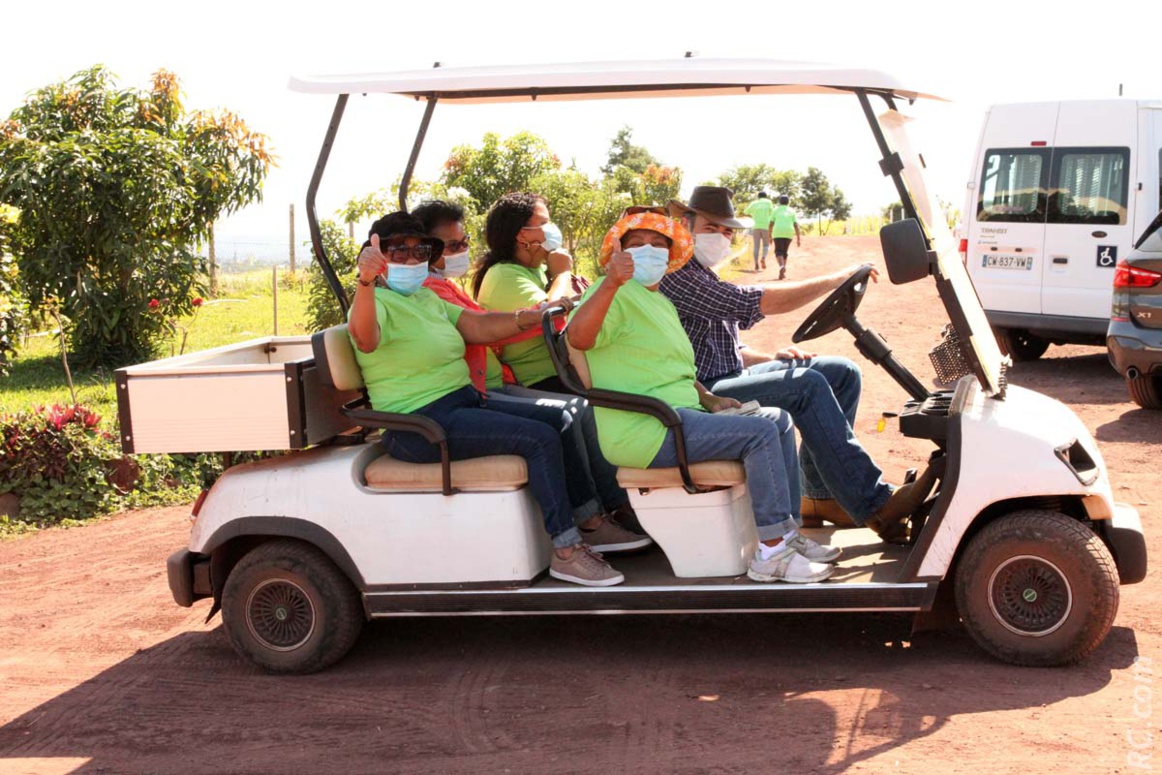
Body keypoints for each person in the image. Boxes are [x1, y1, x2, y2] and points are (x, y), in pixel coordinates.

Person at [347, 210, 625, 586]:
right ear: (377, 257)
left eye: (419, 251)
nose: (411, 260)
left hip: (461, 401)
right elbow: (365, 339)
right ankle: (566, 551)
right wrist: (364, 282)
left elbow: (477, 326)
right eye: (398, 251)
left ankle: (589, 520)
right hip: (420, 425)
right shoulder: (373, 301)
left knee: (559, 418)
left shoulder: (425, 299)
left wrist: (533, 316)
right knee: (538, 438)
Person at [567, 209, 841, 584]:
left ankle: (786, 532)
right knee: (759, 433)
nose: (648, 250)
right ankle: (772, 552)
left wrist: (710, 398)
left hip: (679, 416)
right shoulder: (612, 294)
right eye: (636, 244)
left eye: (658, 244)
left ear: (670, 255)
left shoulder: (659, 301)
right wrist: (611, 283)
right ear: (617, 252)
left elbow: (675, 369)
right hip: (646, 428)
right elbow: (579, 338)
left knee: (778, 420)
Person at [661, 186, 930, 542]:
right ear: (685, 225)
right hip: (703, 393)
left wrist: (772, 359)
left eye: (727, 231)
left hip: (728, 375)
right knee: (806, 386)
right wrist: (835, 280)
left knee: (841, 373)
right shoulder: (678, 277)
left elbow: (725, 349)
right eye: (711, 228)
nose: (721, 238)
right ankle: (875, 504)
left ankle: (819, 497)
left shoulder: (703, 273)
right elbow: (755, 302)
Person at [411, 199, 648, 551]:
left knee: (590, 404)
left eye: (464, 243)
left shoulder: (443, 287)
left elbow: (493, 325)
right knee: (572, 414)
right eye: (452, 246)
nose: (462, 251)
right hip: (480, 390)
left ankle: (612, 507)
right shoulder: (431, 291)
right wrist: (548, 301)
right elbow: (488, 328)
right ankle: (590, 522)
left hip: (491, 383)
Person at [473, 192, 643, 532]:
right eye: (544, 223)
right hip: (538, 376)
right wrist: (563, 274)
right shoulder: (504, 275)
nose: (552, 229)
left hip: (566, 367)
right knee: (594, 408)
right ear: (522, 235)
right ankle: (612, 507)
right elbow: (550, 316)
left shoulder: (536, 269)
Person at [771, 194, 801, 280]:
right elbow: (796, 225)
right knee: (784, 252)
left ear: (780, 202)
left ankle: (781, 266)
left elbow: (771, 224)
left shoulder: (775, 210)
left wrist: (769, 235)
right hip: (788, 232)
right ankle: (782, 274)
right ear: (788, 202)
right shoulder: (792, 211)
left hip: (777, 232)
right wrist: (798, 238)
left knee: (778, 251)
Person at [743, 191, 775, 272]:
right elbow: (772, 213)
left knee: (756, 246)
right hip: (766, 226)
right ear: (765, 196)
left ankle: (756, 264)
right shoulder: (768, 202)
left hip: (755, 226)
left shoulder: (754, 203)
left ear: (758, 197)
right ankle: (763, 257)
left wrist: (752, 215)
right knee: (766, 245)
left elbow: (745, 212)